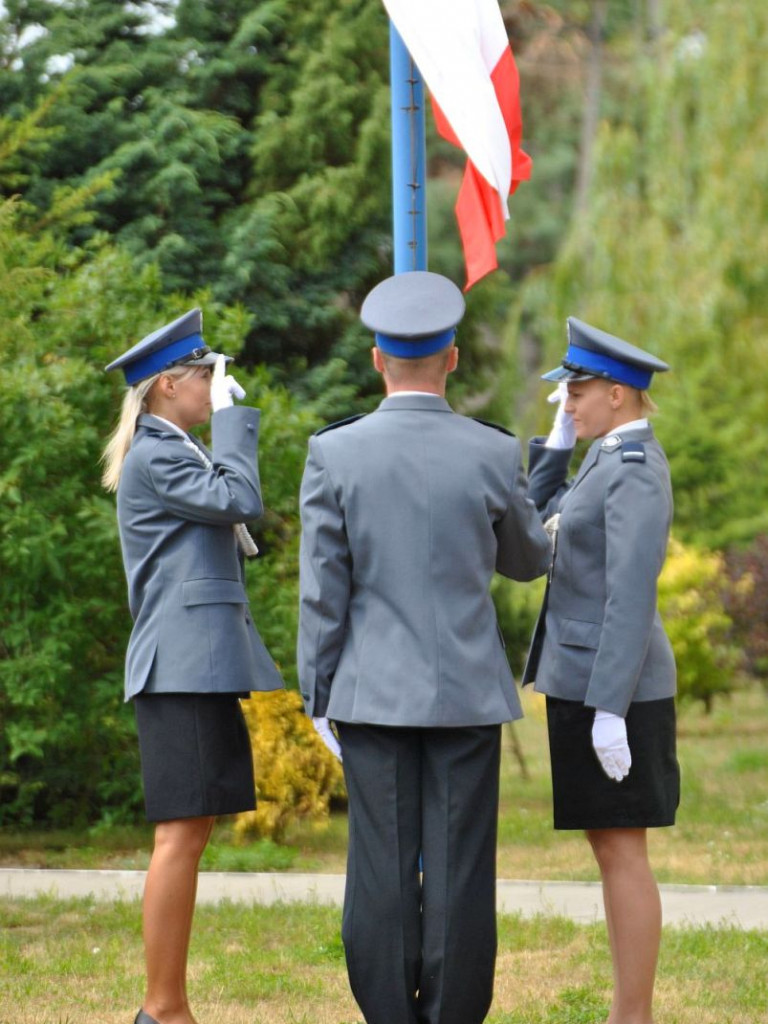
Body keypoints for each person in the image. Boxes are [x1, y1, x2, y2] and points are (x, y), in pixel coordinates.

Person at [297, 271, 552, 1024]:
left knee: (378, 870)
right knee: (460, 873)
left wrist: (318, 692)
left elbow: (322, 591)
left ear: (378, 359)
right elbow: (528, 560)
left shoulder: (334, 454)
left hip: (371, 693)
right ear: (454, 357)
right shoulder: (491, 452)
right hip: (465, 693)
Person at [102, 309, 283, 1024]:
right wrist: (239, 429)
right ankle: (162, 1009)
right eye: (205, 376)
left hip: (191, 668)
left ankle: (166, 1006)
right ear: (167, 384)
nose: (215, 387)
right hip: (179, 669)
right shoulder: (161, 453)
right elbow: (241, 499)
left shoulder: (171, 447)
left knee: (191, 831)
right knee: (180, 835)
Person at [523, 317, 680, 1024]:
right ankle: (626, 1011)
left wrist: (611, 707)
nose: (567, 404)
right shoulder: (603, 458)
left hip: (613, 689)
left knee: (622, 850)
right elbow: (542, 515)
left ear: (616, 393)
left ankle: (633, 1015)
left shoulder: (635, 470)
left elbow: (630, 593)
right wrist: (554, 448)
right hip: (588, 683)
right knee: (609, 845)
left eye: (576, 393)